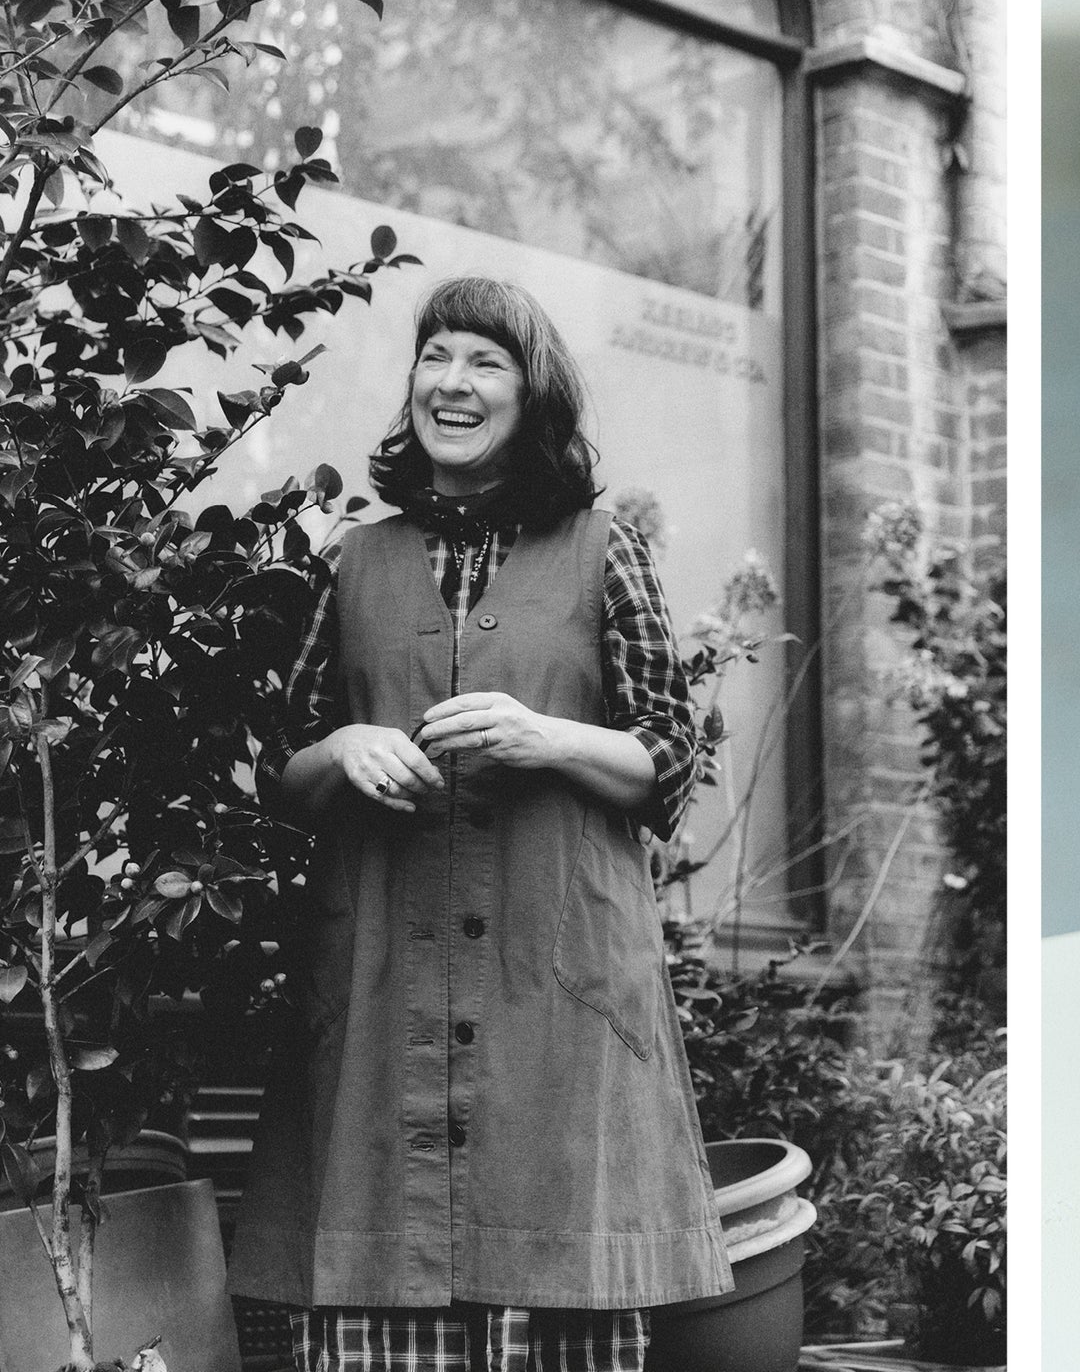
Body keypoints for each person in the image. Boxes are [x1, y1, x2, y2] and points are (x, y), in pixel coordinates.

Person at [228, 276, 732, 1370]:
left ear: (531, 392)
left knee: (555, 1279)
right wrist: (344, 748)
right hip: (381, 1004)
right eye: (434, 355)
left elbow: (670, 759)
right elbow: (279, 770)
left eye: (483, 361)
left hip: (557, 996)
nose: (450, 381)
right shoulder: (354, 559)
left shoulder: (606, 550)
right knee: (380, 1271)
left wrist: (545, 736)